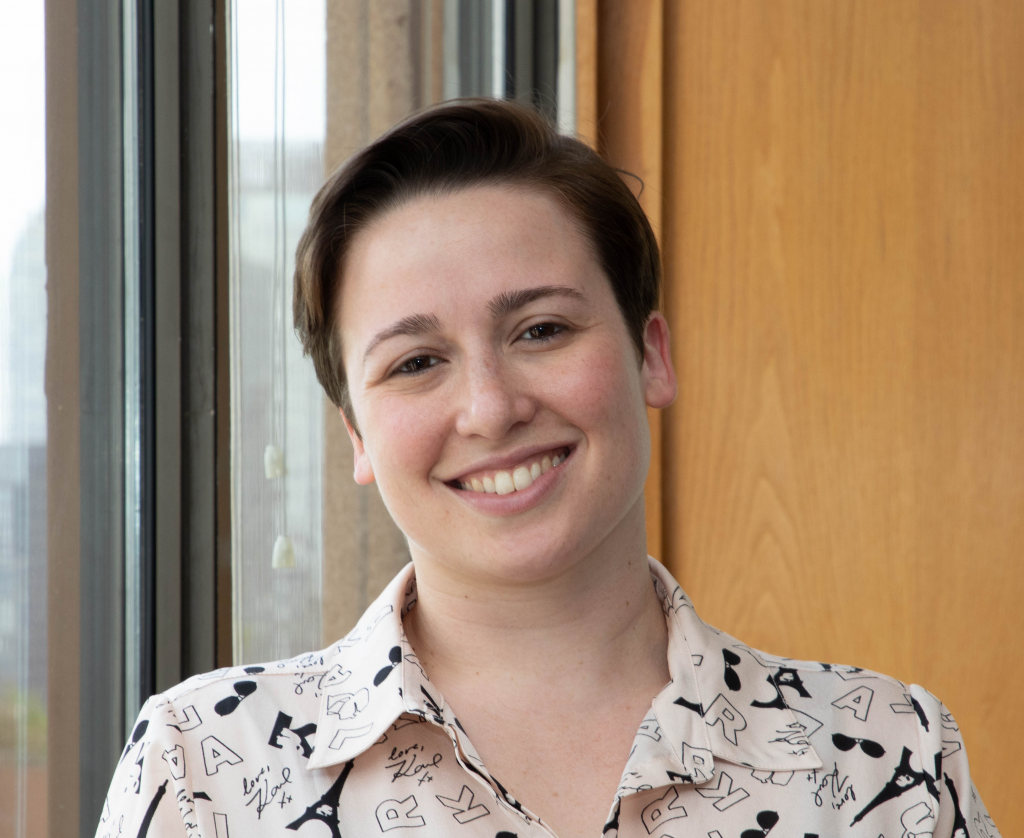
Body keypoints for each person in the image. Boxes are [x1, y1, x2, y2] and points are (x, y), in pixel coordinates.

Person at [96, 100, 999, 838]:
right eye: (416, 362)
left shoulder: (888, 756)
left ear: (652, 355)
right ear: (357, 437)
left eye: (542, 331)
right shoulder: (207, 764)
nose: (490, 407)